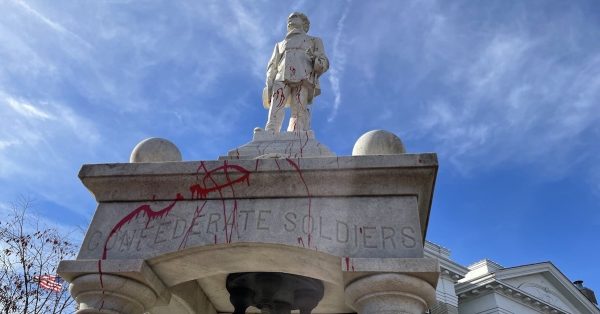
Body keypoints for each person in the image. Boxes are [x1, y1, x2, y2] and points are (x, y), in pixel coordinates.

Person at [262, 12, 329, 132]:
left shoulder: (314, 40)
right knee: (276, 105)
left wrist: (314, 58)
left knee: (299, 108)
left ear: (303, 22)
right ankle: (270, 130)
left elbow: (324, 61)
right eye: (289, 18)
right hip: (281, 76)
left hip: (303, 76)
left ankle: (296, 132)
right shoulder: (279, 44)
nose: (289, 20)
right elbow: (272, 64)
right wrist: (269, 79)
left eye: (294, 17)